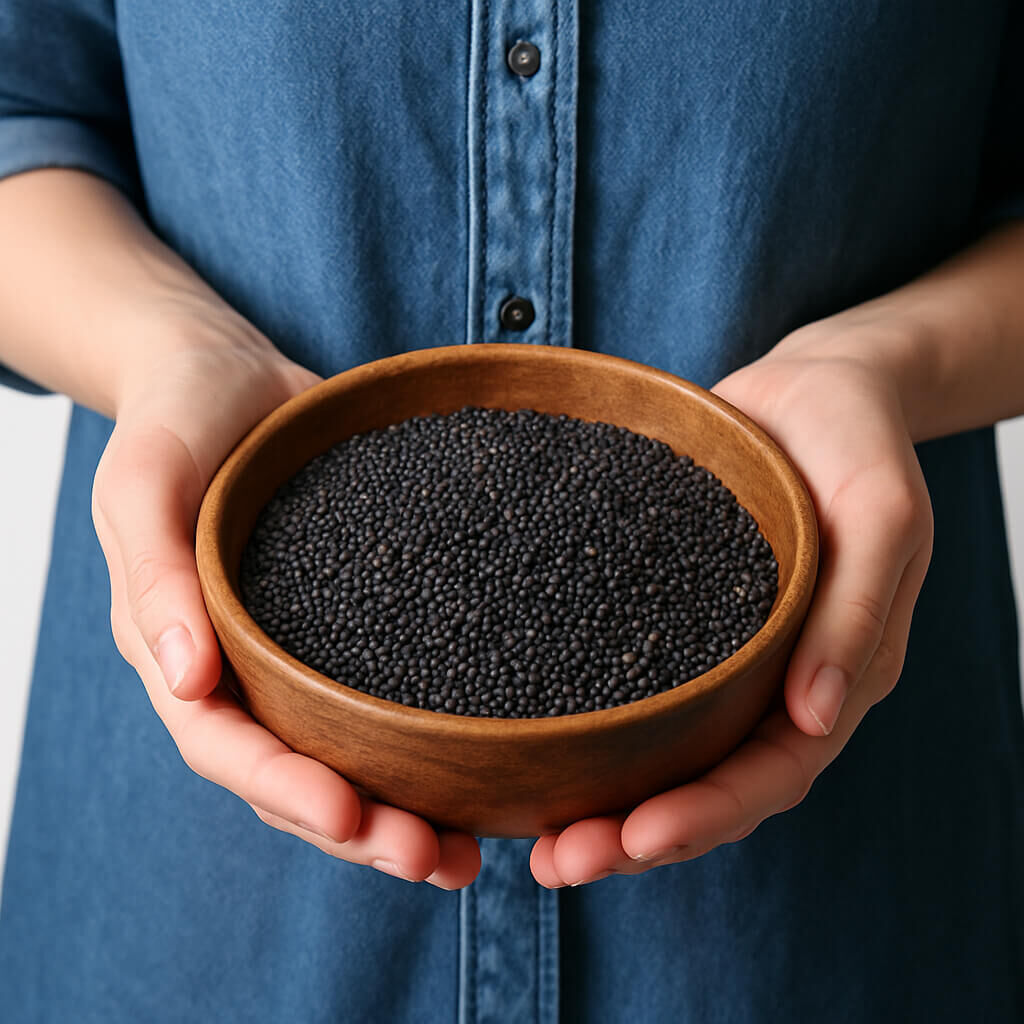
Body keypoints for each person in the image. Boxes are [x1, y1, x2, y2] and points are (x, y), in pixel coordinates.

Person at [1, 2, 1021, 1020]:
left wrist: (893, 363)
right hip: (204, 904)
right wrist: (168, 346)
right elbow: (23, 112)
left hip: (831, 905)